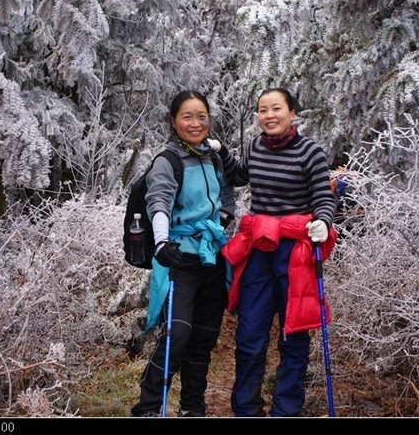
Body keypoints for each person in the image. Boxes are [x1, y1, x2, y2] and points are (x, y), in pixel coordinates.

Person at [210, 87, 337, 417]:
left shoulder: (310, 151)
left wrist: (323, 220)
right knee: (250, 332)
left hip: (295, 252)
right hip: (260, 250)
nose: (269, 115)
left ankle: (286, 409)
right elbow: (240, 175)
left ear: (292, 113)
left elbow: (324, 197)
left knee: (293, 334)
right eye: (263, 110)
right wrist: (222, 151)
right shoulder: (255, 147)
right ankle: (246, 408)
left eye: (276, 108)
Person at [131, 90, 235, 418]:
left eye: (201, 116)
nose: (195, 123)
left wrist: (224, 218)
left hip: (212, 258)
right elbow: (158, 200)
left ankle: (193, 408)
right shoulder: (169, 160)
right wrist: (162, 243)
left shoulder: (212, 157)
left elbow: (229, 188)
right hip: (179, 258)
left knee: (203, 340)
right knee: (177, 336)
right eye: (187, 116)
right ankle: (148, 409)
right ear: (174, 121)